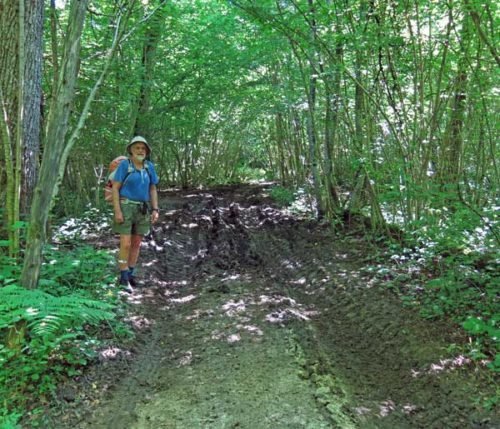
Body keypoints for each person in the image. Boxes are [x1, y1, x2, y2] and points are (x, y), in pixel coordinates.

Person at [111, 135, 160, 290]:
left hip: (143, 209)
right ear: (131, 150)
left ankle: (130, 273)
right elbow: (115, 188)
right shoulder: (125, 165)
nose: (140, 150)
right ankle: (123, 276)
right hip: (126, 207)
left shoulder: (149, 167)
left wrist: (155, 209)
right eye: (137, 148)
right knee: (125, 244)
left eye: (143, 148)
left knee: (137, 244)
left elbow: (152, 188)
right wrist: (117, 210)